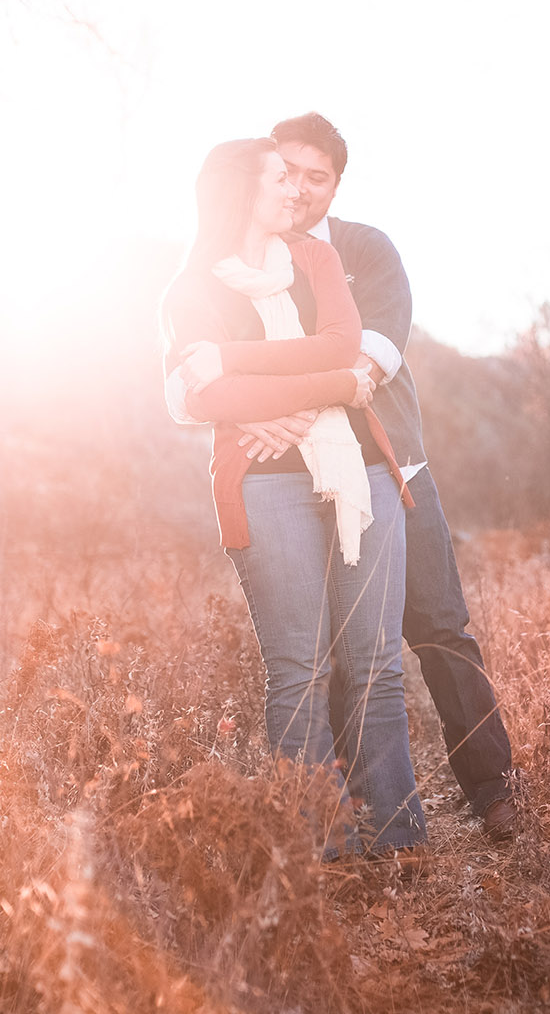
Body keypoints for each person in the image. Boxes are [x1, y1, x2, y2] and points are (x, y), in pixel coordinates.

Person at [231, 113, 521, 842]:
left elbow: (377, 355)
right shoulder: (250, 261)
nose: (299, 188)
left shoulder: (366, 250)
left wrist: (266, 397)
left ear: (336, 185)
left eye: (316, 177)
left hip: (394, 470)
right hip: (297, 481)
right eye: (287, 172)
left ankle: (493, 792)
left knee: (439, 627)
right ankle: (346, 819)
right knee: (327, 651)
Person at [160, 137, 427, 857]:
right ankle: (318, 846)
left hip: (361, 470)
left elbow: (343, 344)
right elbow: (206, 392)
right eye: (280, 178)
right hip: (264, 483)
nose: (294, 191)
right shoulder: (190, 292)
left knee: (375, 662)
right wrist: (327, 393)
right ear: (242, 191)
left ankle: (398, 843)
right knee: (299, 669)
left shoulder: (316, 258)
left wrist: (242, 372)